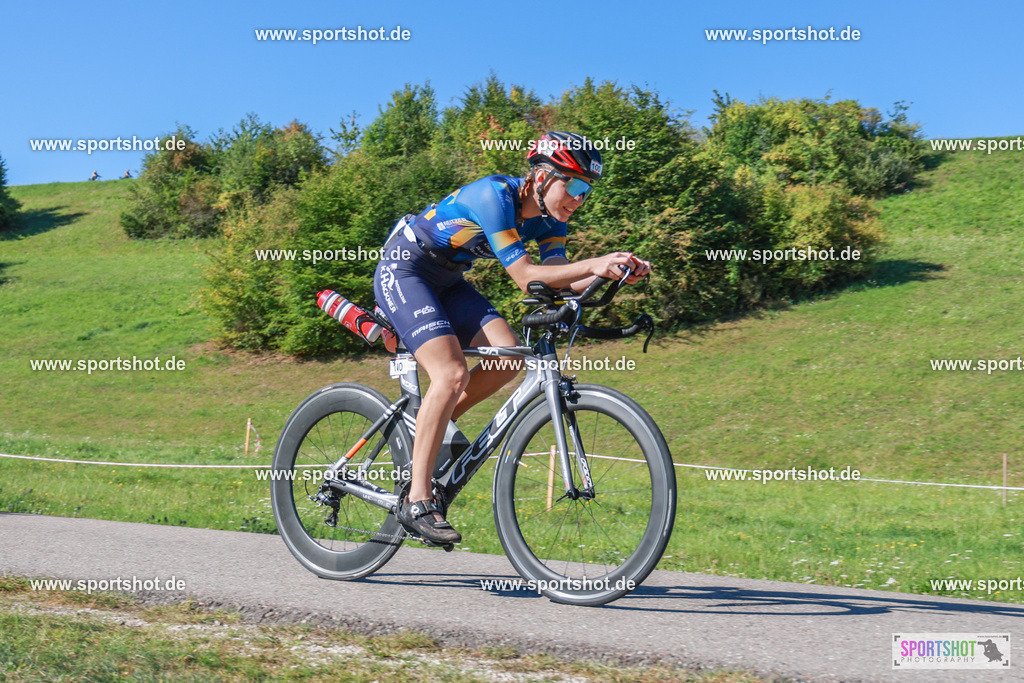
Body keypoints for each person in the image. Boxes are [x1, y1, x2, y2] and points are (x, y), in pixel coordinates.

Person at [373, 131, 651, 544]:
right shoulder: (493, 196)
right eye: (572, 185)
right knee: (450, 374)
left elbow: (557, 280)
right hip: (406, 269)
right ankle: (417, 499)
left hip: (448, 280)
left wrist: (612, 272)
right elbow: (526, 278)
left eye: (586, 191)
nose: (578, 198)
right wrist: (597, 261)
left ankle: (432, 428)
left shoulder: (552, 221)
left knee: (509, 356)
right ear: (541, 176)